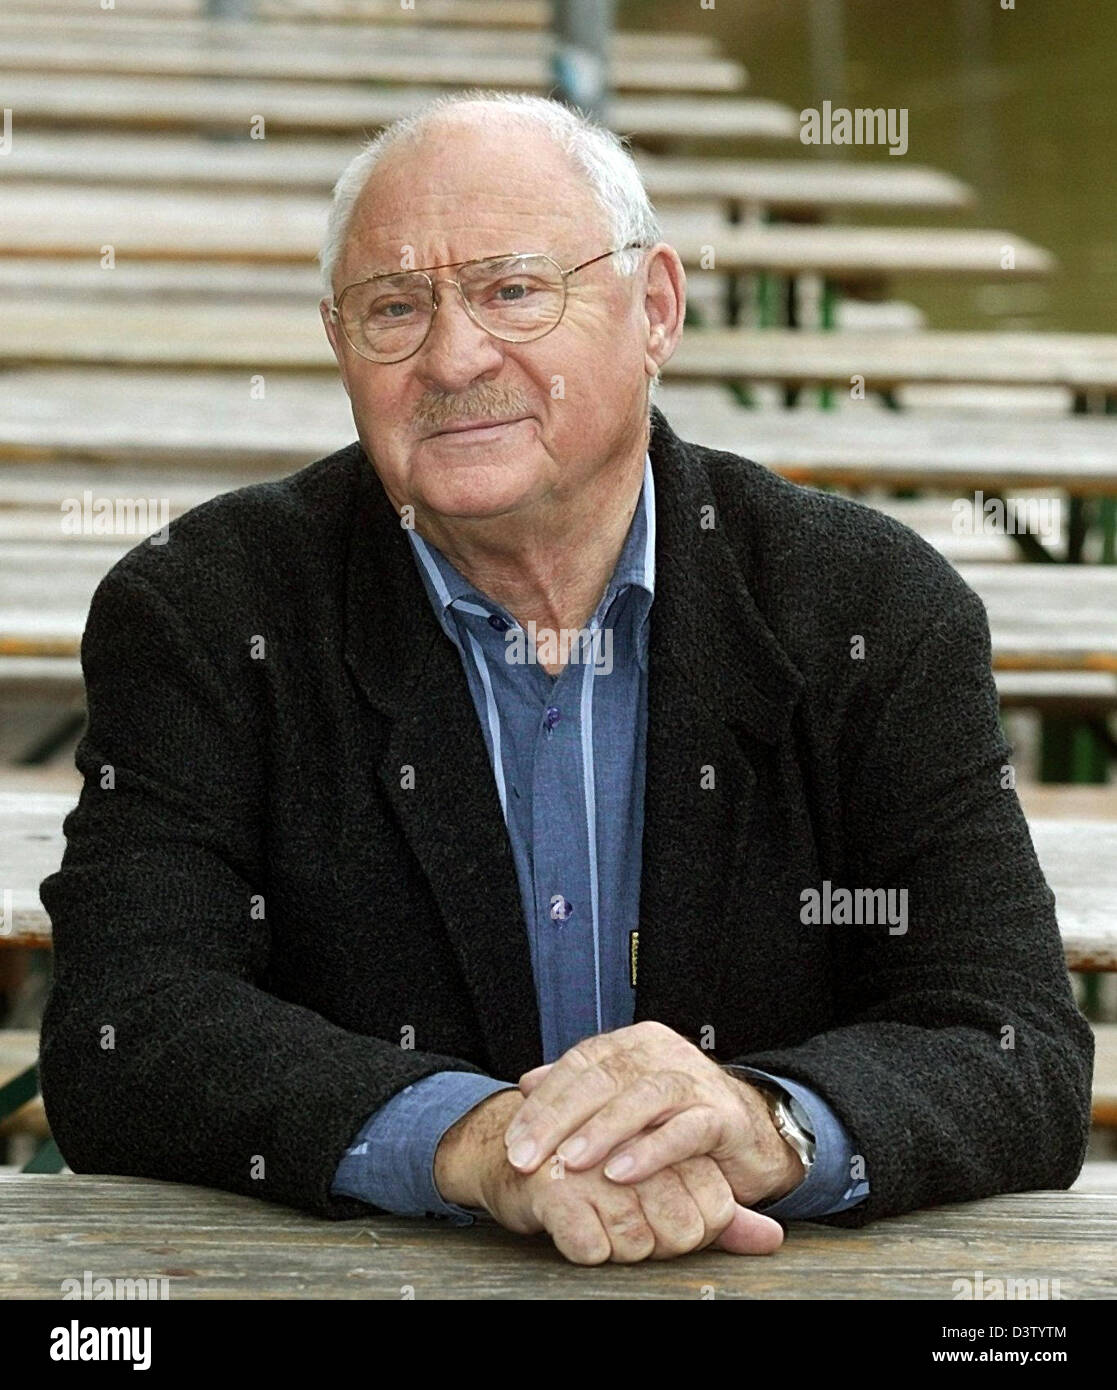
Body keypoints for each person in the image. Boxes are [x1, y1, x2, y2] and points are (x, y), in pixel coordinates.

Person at [39, 92, 1093, 1268]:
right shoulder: (206, 609)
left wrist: (759, 1123)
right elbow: (122, 1030)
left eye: (511, 289)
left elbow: (1013, 1045)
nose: (452, 356)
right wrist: (474, 1142)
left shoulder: (870, 607)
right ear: (339, 345)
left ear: (654, 309)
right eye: (393, 308)